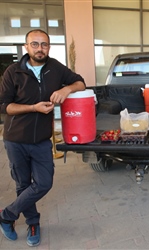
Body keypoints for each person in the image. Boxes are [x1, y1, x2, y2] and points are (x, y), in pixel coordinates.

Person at [0, 29, 86, 246]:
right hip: (16, 139)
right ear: (26, 47)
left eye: (44, 44)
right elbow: (5, 106)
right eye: (35, 44)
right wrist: (33, 108)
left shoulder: (55, 67)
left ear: (49, 47)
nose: (40, 48)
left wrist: (66, 89)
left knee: (44, 183)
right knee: (22, 184)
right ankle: (32, 223)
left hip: (41, 140)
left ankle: (6, 215)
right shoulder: (13, 71)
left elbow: (80, 82)